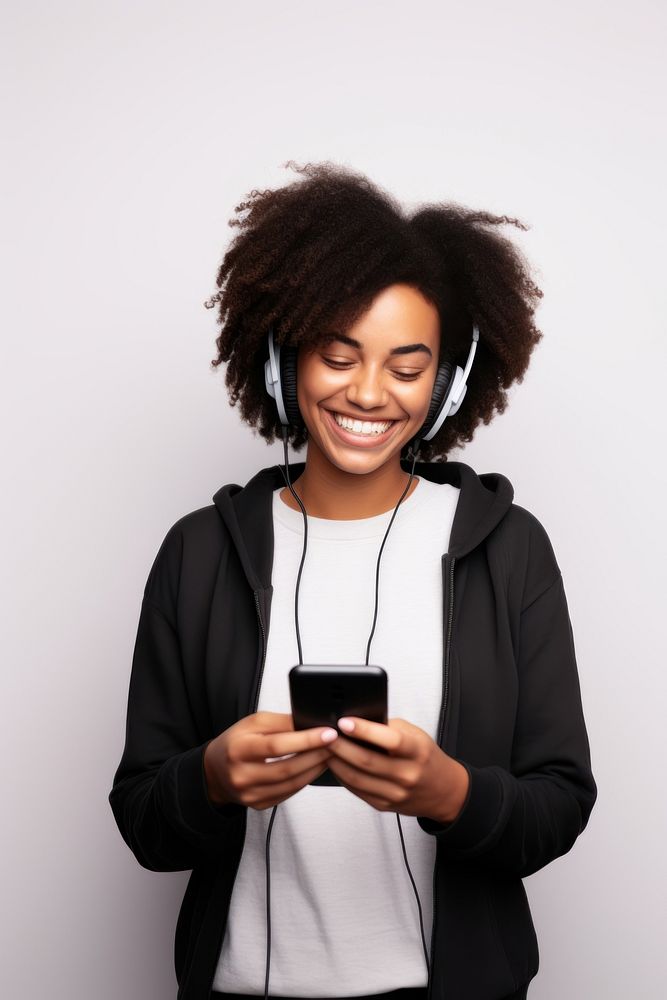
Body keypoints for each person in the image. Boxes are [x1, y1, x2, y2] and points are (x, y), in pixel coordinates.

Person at [109, 161, 597, 1000]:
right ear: (281, 358)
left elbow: (557, 805)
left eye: (406, 370)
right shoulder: (198, 553)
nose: (367, 393)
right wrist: (214, 778)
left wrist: (451, 792)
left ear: (444, 387)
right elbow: (144, 820)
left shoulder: (508, 549)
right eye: (338, 357)